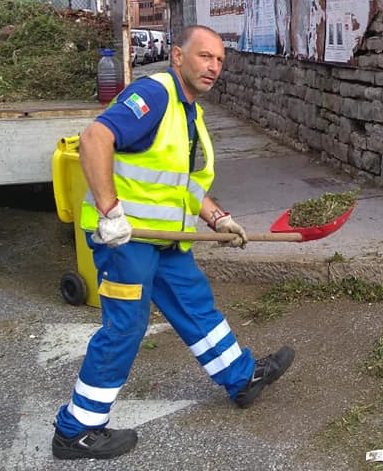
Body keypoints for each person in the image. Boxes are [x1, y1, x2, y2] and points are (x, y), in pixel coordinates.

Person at [51, 24, 295, 461]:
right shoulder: (156, 96)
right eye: (205, 57)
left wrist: (218, 218)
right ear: (178, 57)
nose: (214, 67)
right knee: (125, 326)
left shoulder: (189, 113)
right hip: (125, 240)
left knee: (195, 304)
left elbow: (181, 184)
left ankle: (240, 378)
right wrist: (110, 214)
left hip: (162, 239)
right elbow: (94, 138)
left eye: (220, 60)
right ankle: (76, 430)